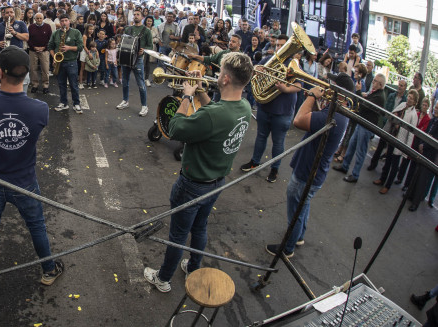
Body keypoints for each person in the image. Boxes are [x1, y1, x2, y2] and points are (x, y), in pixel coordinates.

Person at [143, 52, 254, 292]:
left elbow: (174, 128)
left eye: (220, 72)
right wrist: (201, 89)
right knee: (200, 226)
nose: (217, 75)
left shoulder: (212, 115)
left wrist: (187, 95)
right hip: (216, 181)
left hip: (192, 183)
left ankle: (163, 279)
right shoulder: (244, 107)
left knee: (178, 234)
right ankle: (193, 266)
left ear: (224, 79)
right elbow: (217, 110)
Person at [0, 46, 65, 286]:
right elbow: (30, 137)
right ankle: (48, 270)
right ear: (27, 75)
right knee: (36, 225)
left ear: (0, 73)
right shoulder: (40, 109)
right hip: (24, 181)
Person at [265, 74, 355, 258]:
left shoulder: (334, 115)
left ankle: (287, 248)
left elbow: (298, 120)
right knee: (303, 205)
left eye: (332, 85)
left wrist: (312, 96)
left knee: (296, 210)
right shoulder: (339, 112)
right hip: (314, 170)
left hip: (308, 171)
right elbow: (314, 117)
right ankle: (298, 237)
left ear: (341, 93)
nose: (328, 87)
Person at [240, 35, 301, 183]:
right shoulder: (269, 60)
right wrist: (256, 68)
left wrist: (285, 89)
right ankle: (255, 161)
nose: (279, 48)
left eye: (282, 46)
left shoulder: (293, 64)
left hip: (282, 111)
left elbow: (299, 86)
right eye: (278, 46)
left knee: (278, 142)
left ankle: (275, 169)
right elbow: (255, 69)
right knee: (261, 136)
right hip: (265, 107)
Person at [333, 73, 386, 183]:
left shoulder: (379, 97)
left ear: (380, 84)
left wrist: (358, 92)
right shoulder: (376, 94)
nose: (373, 82)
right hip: (362, 122)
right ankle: (345, 166)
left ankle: (355, 174)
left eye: (375, 81)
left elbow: (364, 105)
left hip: (366, 125)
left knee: (360, 151)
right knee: (352, 145)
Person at [375, 89, 420, 194]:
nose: (409, 99)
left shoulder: (413, 115)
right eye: (409, 97)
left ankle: (387, 185)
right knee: (388, 160)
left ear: (414, 102)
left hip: (400, 142)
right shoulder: (403, 104)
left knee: (394, 165)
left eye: (411, 99)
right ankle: (382, 179)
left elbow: (411, 134)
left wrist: (406, 150)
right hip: (392, 136)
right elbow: (393, 114)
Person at [117, 10, 153, 117]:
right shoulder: (128, 29)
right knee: (125, 81)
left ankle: (144, 106)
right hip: (126, 58)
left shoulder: (146, 31)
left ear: (142, 17)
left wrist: (144, 50)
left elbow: (150, 46)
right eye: (135, 15)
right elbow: (124, 41)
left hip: (138, 59)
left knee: (141, 83)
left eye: (138, 15)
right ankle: (125, 101)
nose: (136, 16)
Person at [405, 101, 438, 211]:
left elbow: (434, 140)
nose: (435, 109)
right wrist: (422, 144)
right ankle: (410, 195)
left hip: (430, 154)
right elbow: (426, 133)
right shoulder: (433, 120)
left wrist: (425, 146)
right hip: (423, 149)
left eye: (437, 108)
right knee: (417, 174)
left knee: (423, 178)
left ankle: (416, 202)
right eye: (435, 107)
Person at [48, 15, 83, 113]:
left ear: (69, 21)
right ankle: (63, 103)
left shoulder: (76, 32)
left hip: (71, 61)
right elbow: (50, 46)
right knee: (61, 84)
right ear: (60, 22)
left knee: (73, 84)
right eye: (62, 21)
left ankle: (76, 103)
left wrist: (69, 48)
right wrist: (54, 57)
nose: (64, 22)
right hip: (60, 62)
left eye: (66, 20)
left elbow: (80, 47)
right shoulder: (55, 33)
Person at [28, 13, 52, 94]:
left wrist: (44, 47)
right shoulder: (31, 27)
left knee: (45, 69)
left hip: (44, 51)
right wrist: (34, 47)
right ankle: (35, 85)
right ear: (34, 19)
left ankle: (45, 85)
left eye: (40, 18)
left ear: (43, 18)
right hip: (33, 50)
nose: (38, 20)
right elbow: (28, 39)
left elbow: (50, 39)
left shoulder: (47, 27)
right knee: (33, 69)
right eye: (37, 18)